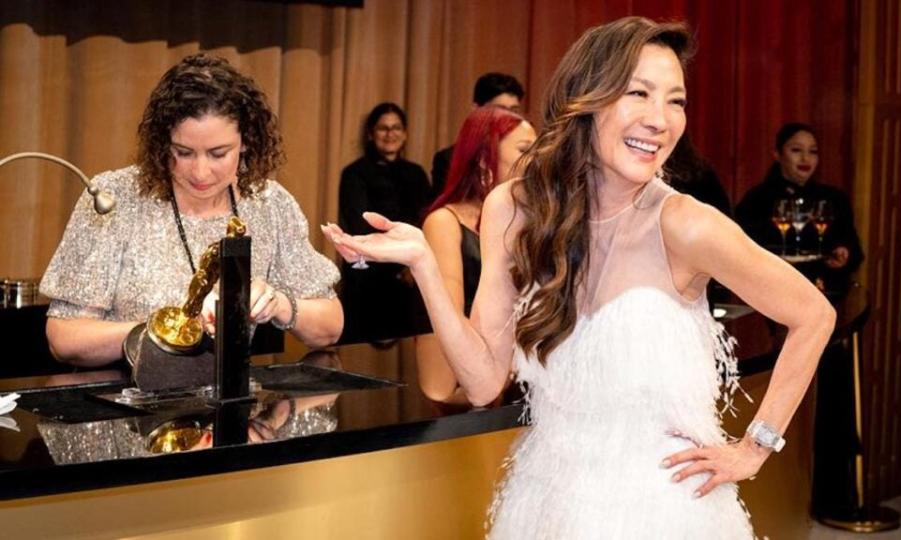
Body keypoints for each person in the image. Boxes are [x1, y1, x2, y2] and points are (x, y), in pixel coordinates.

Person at [322, 17, 834, 538]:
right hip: (547, 497)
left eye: (676, 100)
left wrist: (755, 447)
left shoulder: (685, 224)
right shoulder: (516, 209)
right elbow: (480, 383)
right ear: (587, 98)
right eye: (639, 93)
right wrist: (426, 266)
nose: (661, 119)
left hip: (663, 507)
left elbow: (814, 314)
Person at [40, 53, 343, 367]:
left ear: (247, 142)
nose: (200, 172)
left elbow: (330, 328)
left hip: (228, 406)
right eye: (183, 152)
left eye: (218, 153)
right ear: (161, 143)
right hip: (122, 401)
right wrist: (171, 330)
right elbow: (64, 338)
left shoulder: (269, 203)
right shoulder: (116, 197)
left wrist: (277, 304)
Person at [416, 106, 536, 403]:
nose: (536, 160)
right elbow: (448, 316)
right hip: (475, 377)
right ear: (485, 158)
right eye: (525, 150)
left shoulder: (533, 221)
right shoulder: (445, 222)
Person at [337, 102, 431, 342]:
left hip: (411, 278)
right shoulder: (354, 173)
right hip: (369, 281)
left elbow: (427, 221)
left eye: (396, 128)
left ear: (405, 133)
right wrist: (402, 263)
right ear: (371, 134)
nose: (391, 134)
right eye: (383, 129)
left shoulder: (416, 173)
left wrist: (411, 266)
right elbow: (360, 226)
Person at [735, 123, 864, 293]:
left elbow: (854, 250)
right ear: (777, 154)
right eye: (796, 150)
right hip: (770, 291)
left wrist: (844, 254)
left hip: (823, 291)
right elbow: (740, 250)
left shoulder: (834, 199)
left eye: (813, 152)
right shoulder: (758, 198)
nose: (806, 159)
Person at [430, 73, 525, 199]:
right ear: (476, 109)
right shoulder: (449, 158)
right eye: (500, 110)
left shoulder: (524, 158)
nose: (509, 117)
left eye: (514, 110)